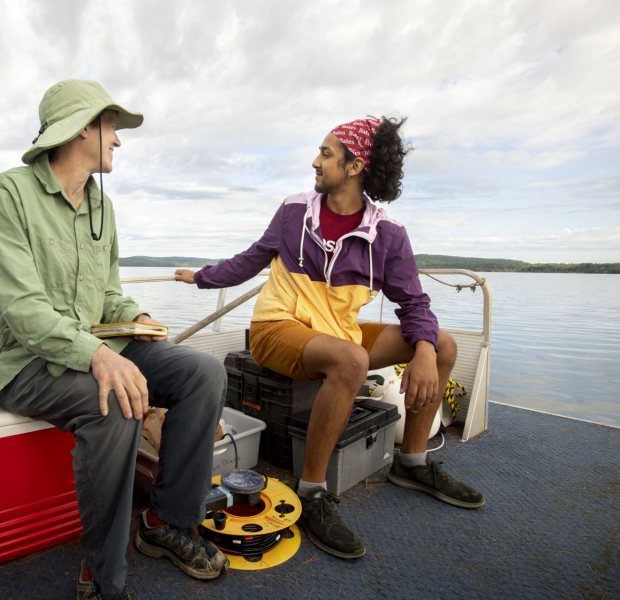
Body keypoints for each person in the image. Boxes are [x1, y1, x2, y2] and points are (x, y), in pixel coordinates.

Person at [175, 116, 484, 560]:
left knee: (443, 345)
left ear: (354, 166)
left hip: (339, 335)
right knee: (352, 361)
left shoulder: (388, 236)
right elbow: (251, 259)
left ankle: (412, 462)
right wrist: (201, 278)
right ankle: (313, 491)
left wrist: (423, 350)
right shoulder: (294, 212)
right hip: (278, 328)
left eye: (325, 153)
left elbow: (415, 303)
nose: (314, 162)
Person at [0, 80, 229, 600]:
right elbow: (23, 312)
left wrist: (135, 316)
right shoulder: (5, 195)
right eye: (111, 126)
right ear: (80, 128)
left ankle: (165, 522)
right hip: (27, 364)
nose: (117, 140)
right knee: (114, 405)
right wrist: (95, 355)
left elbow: (107, 294)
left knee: (203, 372)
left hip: (97, 346)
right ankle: (103, 579)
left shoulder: (101, 207)